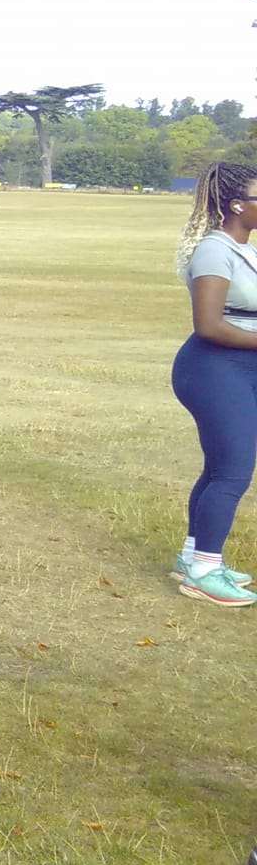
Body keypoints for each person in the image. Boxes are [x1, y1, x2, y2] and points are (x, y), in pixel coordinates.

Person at [169, 158, 257, 606]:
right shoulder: (214, 251)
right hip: (212, 368)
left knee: (220, 465)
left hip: (241, 368)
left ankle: (192, 556)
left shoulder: (247, 251)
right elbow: (209, 326)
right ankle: (204, 571)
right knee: (233, 469)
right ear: (238, 205)